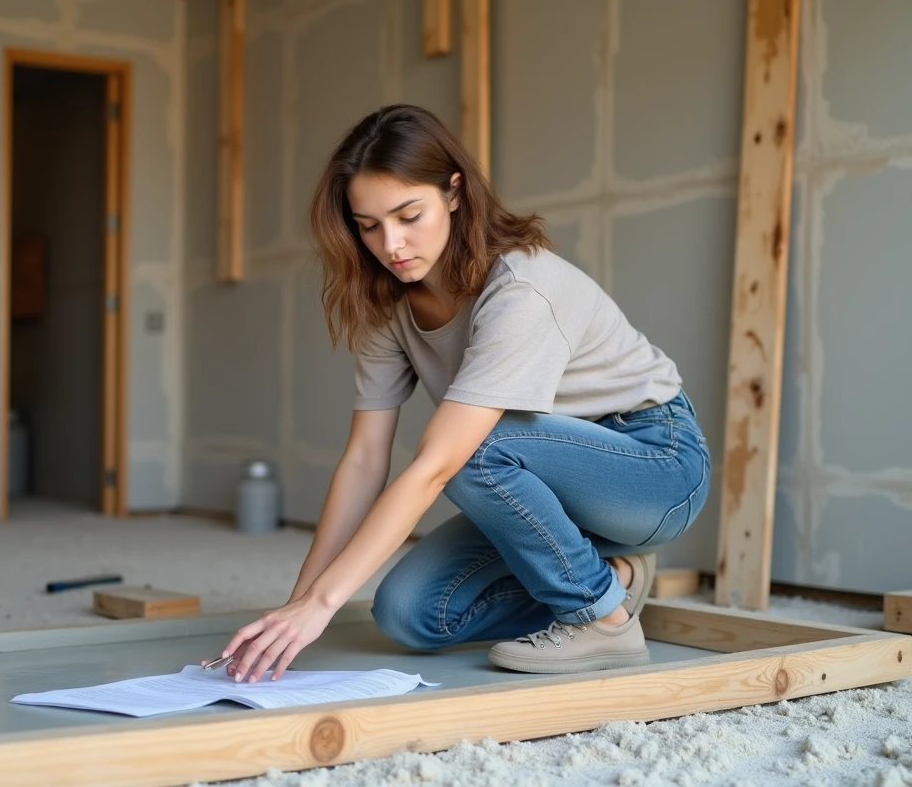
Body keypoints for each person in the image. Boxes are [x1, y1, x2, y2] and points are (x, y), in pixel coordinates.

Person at [207, 104, 711, 682]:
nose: (391, 244)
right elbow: (365, 459)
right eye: (368, 225)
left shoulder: (521, 287)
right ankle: (614, 578)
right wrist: (300, 603)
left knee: (473, 446)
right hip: (538, 480)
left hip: (654, 466)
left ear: (453, 192)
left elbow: (439, 464)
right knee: (410, 614)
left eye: (407, 215)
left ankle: (601, 620)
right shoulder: (388, 306)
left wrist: (320, 609)